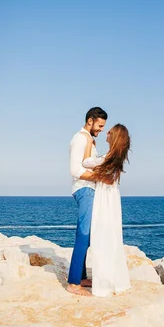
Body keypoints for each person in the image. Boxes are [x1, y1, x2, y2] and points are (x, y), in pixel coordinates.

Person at [82, 123, 132, 297]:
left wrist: (89, 143)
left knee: (101, 238)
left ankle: (103, 284)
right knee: (112, 238)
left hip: (104, 199)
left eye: (109, 133)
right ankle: (115, 280)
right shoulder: (116, 157)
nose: (106, 135)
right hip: (112, 200)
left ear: (114, 137)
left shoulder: (107, 157)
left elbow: (85, 162)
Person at [66, 107, 107, 297]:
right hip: (84, 189)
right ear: (90, 121)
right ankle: (73, 283)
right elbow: (75, 170)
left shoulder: (88, 139)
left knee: (87, 234)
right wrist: (100, 178)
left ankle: (81, 277)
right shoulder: (80, 138)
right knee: (84, 234)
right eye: (99, 125)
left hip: (89, 189)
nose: (100, 129)